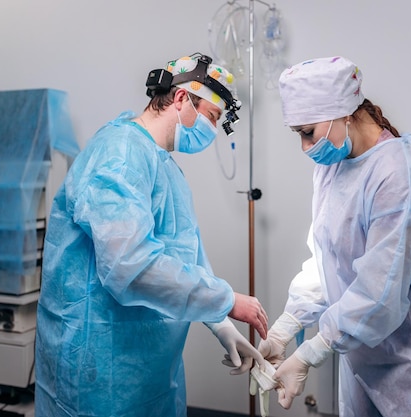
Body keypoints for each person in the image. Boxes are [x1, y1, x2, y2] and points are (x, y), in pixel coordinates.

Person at [258, 56, 411, 417]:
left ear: (344, 113)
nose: (305, 146)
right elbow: (328, 260)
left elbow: (379, 291)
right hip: (363, 359)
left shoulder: (399, 174)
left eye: (307, 132)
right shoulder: (333, 169)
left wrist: (311, 351)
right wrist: (286, 327)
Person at [35, 53, 268, 417]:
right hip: (99, 366)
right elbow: (131, 266)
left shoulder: (164, 167)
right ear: (180, 99)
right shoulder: (120, 154)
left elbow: (182, 257)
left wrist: (219, 323)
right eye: (211, 116)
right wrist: (226, 300)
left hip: (149, 367)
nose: (211, 129)